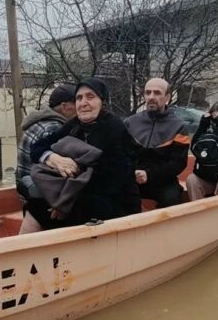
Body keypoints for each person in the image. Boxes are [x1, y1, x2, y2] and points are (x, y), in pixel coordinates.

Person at [22, 77, 141, 232]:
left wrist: (65, 201)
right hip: (76, 193)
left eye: (90, 97)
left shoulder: (114, 128)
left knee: (89, 207)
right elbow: (37, 147)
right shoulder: (74, 125)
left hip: (115, 201)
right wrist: (52, 158)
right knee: (34, 207)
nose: (83, 102)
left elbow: (113, 180)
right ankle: (24, 254)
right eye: (79, 98)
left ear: (102, 102)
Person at [124, 78, 190, 208]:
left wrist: (149, 174)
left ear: (167, 97)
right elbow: (121, 154)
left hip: (163, 181)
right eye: (148, 93)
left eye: (157, 93)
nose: (151, 97)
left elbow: (178, 163)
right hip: (132, 178)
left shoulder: (179, 127)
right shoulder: (130, 123)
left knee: (172, 200)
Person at [16, 83, 77, 201]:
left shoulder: (39, 122)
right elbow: (59, 174)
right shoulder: (53, 128)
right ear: (65, 106)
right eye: (77, 102)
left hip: (27, 193)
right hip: (42, 200)